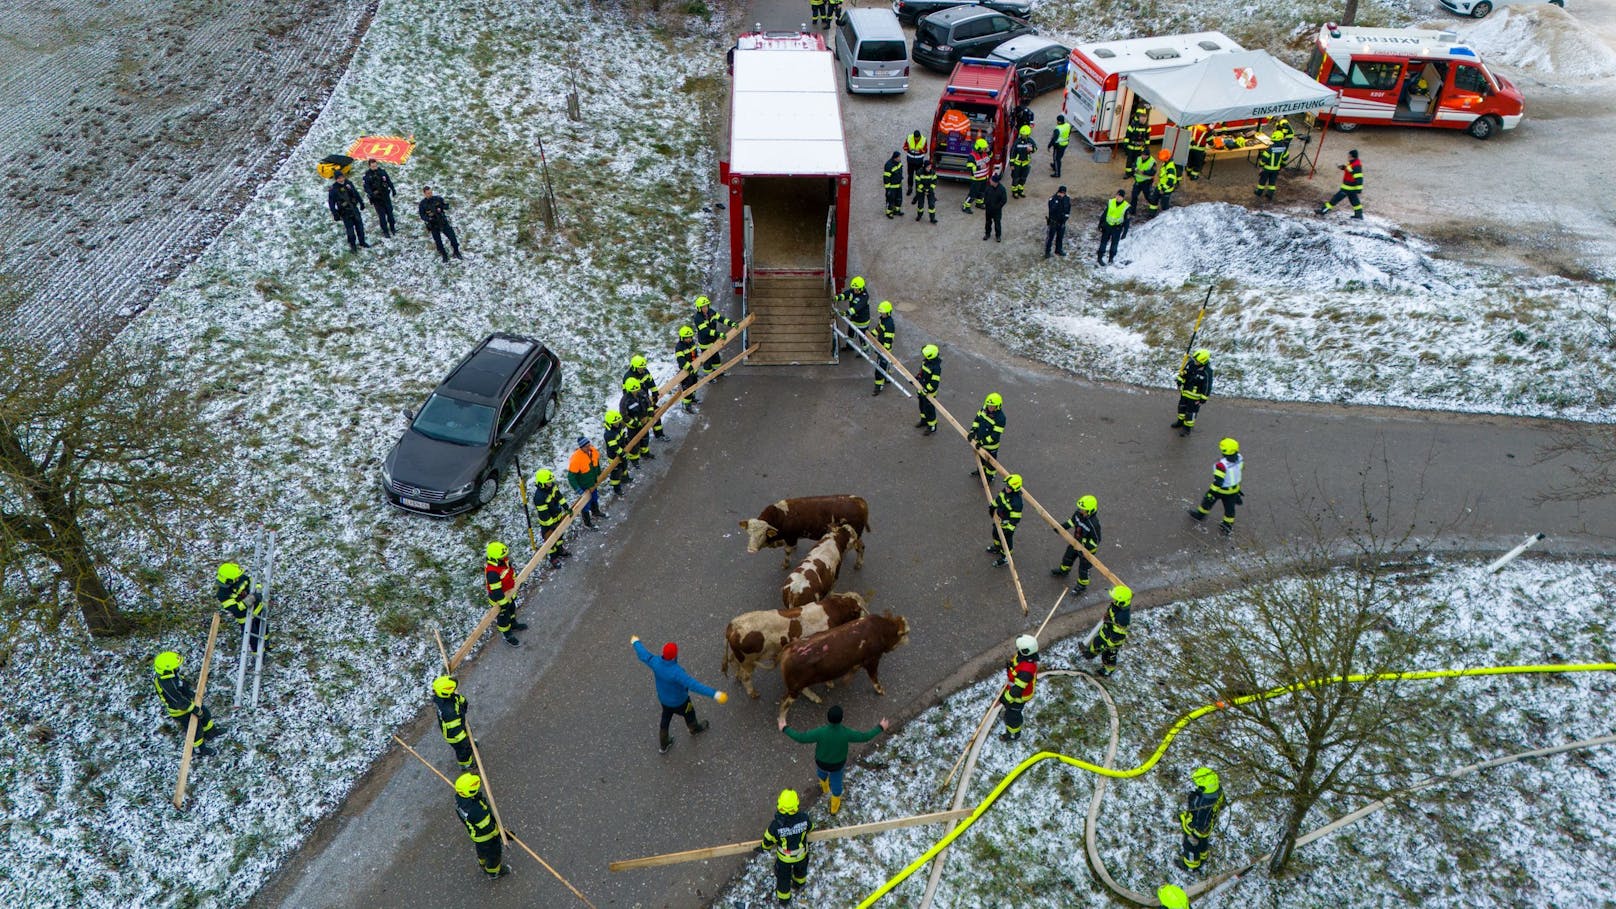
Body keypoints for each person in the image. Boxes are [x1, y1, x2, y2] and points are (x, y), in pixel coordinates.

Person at [778, 705, 888, 815]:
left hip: (821, 763)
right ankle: (834, 808)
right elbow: (865, 737)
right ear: (841, 718)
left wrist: (784, 728)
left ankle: (825, 788)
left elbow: (801, 738)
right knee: (837, 788)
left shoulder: (820, 732)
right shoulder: (846, 733)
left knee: (822, 775)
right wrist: (880, 727)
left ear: (828, 718)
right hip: (837, 767)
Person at [631, 635, 728, 754]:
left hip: (664, 701)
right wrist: (715, 694)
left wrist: (636, 642)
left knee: (665, 720)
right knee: (690, 714)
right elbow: (695, 686)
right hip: (681, 702)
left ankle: (664, 744)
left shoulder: (655, 662)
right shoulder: (677, 672)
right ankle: (694, 728)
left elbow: (643, 655)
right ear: (675, 655)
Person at [153, 651, 223, 756]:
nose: (178, 668)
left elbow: (182, 687)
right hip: (181, 711)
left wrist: (190, 694)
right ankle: (199, 749)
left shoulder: (171, 676)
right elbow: (178, 701)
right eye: (175, 667)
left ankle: (211, 732)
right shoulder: (167, 685)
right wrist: (194, 709)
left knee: (205, 714)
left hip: (188, 702)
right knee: (195, 729)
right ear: (168, 669)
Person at [758, 788, 814, 904]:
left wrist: (764, 848)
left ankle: (784, 899)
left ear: (780, 805)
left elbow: (768, 840)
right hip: (801, 855)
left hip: (785, 859)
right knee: (801, 871)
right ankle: (799, 884)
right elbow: (811, 827)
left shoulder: (776, 825)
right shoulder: (803, 817)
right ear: (796, 804)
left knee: (783, 879)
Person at [454, 772, 509, 879]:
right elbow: (488, 828)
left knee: (482, 851)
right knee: (494, 854)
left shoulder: (461, 800)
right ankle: (494, 872)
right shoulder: (476, 811)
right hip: (486, 837)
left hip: (477, 836)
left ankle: (482, 862)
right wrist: (500, 833)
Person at [1189, 438, 1243, 535]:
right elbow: (1238, 472)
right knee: (1230, 510)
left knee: (1207, 502)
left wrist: (1211, 493)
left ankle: (1200, 515)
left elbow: (1218, 482)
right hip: (1234, 490)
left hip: (1220, 491)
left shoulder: (1221, 465)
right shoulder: (1239, 458)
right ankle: (1227, 526)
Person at [1179, 766, 1227, 871]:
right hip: (1209, 826)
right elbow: (1223, 804)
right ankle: (1203, 856)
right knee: (1203, 841)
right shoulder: (1218, 790)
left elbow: (1199, 824)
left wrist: (1187, 825)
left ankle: (1190, 866)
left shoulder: (1203, 805)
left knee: (1190, 846)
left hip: (1198, 830)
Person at [1051, 495, 1101, 595]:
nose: (1080, 510)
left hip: (1087, 551)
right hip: (1075, 542)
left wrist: (1084, 545)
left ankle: (1082, 585)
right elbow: (1071, 521)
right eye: (1080, 508)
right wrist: (1061, 528)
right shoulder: (1078, 514)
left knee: (1084, 568)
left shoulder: (1093, 524)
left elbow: (1096, 541)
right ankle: (1064, 570)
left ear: (1090, 511)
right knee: (1068, 557)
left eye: (1083, 509)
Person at [1080, 584, 1132, 676]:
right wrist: (1108, 614)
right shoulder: (1117, 605)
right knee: (1096, 642)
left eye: (1115, 598)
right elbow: (1111, 610)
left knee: (1108, 656)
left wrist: (1109, 644)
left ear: (1121, 601)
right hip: (1105, 632)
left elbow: (1118, 634)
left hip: (1112, 641)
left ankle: (1108, 670)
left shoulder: (1122, 618)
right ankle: (1090, 653)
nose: (1113, 600)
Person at [215, 561, 265, 654]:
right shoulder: (223, 594)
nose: (239, 579)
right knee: (253, 638)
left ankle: (267, 646)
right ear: (229, 581)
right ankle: (259, 654)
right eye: (236, 578)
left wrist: (258, 590)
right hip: (245, 618)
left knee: (264, 629)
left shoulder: (240, 577)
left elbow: (253, 582)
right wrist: (250, 599)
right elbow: (235, 609)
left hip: (258, 608)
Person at [998, 634, 1039, 741]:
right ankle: (1009, 710)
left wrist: (1005, 699)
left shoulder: (1026, 670)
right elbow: (1016, 666)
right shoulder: (1024, 656)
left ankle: (1013, 734)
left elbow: (1017, 690)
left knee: (1012, 716)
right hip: (1014, 692)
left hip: (1019, 697)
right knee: (1010, 710)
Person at [530, 469, 574, 569]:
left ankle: (560, 550)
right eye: (548, 483)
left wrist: (567, 507)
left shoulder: (553, 486)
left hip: (558, 517)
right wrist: (551, 525)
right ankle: (553, 558)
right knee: (550, 542)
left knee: (559, 537)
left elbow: (560, 497)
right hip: (547, 524)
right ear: (541, 484)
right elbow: (544, 514)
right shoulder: (539, 497)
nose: (550, 484)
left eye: (550, 482)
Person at [484, 541, 525, 646]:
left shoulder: (504, 562)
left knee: (512, 609)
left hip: (508, 594)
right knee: (504, 617)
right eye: (503, 556)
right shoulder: (492, 572)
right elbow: (496, 591)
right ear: (495, 558)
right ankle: (507, 634)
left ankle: (513, 624)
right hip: (499, 600)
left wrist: (514, 584)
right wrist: (503, 603)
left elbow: (511, 572)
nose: (506, 557)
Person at [432, 675, 474, 769]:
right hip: (455, 737)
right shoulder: (449, 712)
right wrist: (465, 740)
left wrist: (462, 701)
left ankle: (469, 745)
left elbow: (456, 698)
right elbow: (455, 731)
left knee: (467, 738)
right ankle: (466, 764)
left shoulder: (442, 698)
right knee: (463, 750)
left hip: (458, 725)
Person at [567, 436, 608, 527]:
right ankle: (587, 523)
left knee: (594, 498)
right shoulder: (576, 459)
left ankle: (595, 512)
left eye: (589, 445)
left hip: (592, 483)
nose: (589, 448)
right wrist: (579, 490)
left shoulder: (593, 451)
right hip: (584, 486)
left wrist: (599, 474)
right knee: (585, 504)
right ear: (581, 447)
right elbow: (571, 477)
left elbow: (596, 464)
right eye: (586, 446)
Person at [625, 355, 667, 442]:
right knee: (641, 426)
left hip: (646, 400)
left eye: (643, 368)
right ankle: (640, 446)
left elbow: (651, 382)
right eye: (640, 368)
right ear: (634, 368)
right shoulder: (628, 378)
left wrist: (655, 393)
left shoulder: (645, 372)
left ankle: (659, 435)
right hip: (636, 405)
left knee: (656, 415)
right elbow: (627, 396)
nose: (642, 370)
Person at [693, 295, 737, 375]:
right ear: (699, 308)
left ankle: (718, 372)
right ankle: (708, 375)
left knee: (716, 358)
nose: (705, 308)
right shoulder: (698, 318)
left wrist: (731, 323)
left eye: (706, 306)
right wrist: (718, 334)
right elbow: (705, 331)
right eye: (703, 307)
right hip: (705, 343)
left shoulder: (711, 312)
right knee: (707, 360)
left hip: (713, 340)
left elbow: (721, 319)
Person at [1173, 349, 1214, 435]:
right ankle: (1180, 421)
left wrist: (1203, 398)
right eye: (1195, 360)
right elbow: (1184, 373)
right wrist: (1180, 380)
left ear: (1203, 362)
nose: (1195, 362)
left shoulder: (1207, 372)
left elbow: (1207, 386)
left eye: (1197, 361)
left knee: (1190, 413)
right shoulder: (1191, 364)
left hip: (1195, 397)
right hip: (1185, 393)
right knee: (1181, 408)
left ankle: (1187, 428)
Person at [987, 473, 1023, 567]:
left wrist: (1009, 529)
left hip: (1007, 525)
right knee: (995, 534)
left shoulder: (1017, 502)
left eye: (1009, 487)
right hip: (999, 519)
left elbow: (1015, 519)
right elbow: (999, 499)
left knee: (1006, 543)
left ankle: (1006, 557)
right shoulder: (1005, 492)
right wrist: (993, 506)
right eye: (1007, 486)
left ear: (1015, 488)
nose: (1007, 488)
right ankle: (997, 548)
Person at [326, 172, 368, 252]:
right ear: (336, 179)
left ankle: (362, 242)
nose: (341, 179)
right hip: (345, 212)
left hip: (354, 209)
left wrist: (361, 202)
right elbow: (331, 203)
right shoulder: (333, 189)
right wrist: (335, 213)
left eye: (342, 177)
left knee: (360, 227)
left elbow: (356, 193)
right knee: (350, 230)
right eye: (339, 178)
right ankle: (353, 245)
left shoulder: (349, 183)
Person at [418, 186, 462, 262]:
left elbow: (446, 206)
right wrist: (429, 218)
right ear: (424, 194)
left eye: (431, 192)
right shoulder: (422, 204)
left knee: (453, 238)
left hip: (442, 221)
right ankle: (444, 255)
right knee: (438, 242)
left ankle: (456, 251)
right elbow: (422, 216)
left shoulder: (438, 199)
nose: (430, 194)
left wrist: (441, 207)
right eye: (428, 193)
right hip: (433, 224)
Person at [1318, 149, 1364, 219]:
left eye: (1348, 155)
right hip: (1350, 188)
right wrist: (1343, 167)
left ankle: (1323, 210)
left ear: (1352, 156)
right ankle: (1359, 215)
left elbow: (1359, 178)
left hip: (1348, 188)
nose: (1347, 157)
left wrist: (1359, 189)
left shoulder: (1356, 165)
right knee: (1355, 202)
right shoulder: (1353, 163)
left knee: (1335, 199)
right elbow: (1350, 170)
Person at [969, 392, 1006, 480]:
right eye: (989, 405)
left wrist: (982, 442)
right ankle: (980, 472)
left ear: (998, 406)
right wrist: (973, 431)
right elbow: (977, 420)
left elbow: (995, 435)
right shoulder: (983, 410)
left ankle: (990, 477)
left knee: (990, 463)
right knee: (981, 459)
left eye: (992, 406)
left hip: (991, 446)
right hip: (980, 442)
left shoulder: (1000, 418)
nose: (990, 408)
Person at [618, 377, 653, 464]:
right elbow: (624, 415)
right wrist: (634, 423)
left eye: (637, 390)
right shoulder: (625, 401)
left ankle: (645, 453)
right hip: (633, 426)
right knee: (634, 444)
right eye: (634, 391)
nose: (635, 392)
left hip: (644, 421)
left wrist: (650, 411)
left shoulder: (641, 393)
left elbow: (648, 402)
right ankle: (634, 460)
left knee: (645, 438)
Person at [362, 159, 397, 237]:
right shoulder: (367, 176)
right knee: (382, 216)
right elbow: (366, 188)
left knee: (390, 214)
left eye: (375, 165)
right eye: (373, 166)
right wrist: (372, 194)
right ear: (369, 166)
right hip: (377, 199)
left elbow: (388, 181)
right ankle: (385, 231)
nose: (375, 167)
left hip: (385, 196)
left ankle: (392, 228)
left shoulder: (382, 172)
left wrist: (393, 189)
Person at [836, 276, 870, 354]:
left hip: (862, 322)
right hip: (854, 319)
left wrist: (846, 313)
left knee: (862, 337)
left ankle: (866, 350)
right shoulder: (853, 291)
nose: (855, 291)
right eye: (854, 289)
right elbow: (846, 294)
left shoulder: (864, 297)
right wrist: (837, 298)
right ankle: (850, 347)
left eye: (856, 289)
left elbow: (856, 308)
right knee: (850, 334)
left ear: (861, 289)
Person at [1096, 189, 1129, 266]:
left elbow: (1127, 221)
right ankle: (1099, 257)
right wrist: (1100, 223)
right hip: (1107, 226)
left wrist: (1125, 232)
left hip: (1117, 228)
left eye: (1120, 196)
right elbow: (1105, 213)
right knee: (1103, 243)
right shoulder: (1111, 202)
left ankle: (1111, 258)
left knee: (1114, 244)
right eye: (1117, 195)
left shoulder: (1126, 206)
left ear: (1123, 198)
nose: (1118, 197)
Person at [915, 344, 941, 435]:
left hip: (929, 393)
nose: (924, 357)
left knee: (929, 410)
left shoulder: (936, 368)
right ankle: (924, 421)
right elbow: (921, 372)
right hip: (921, 389)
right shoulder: (926, 362)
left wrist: (926, 390)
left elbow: (934, 384)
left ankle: (932, 426)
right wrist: (917, 378)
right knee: (922, 406)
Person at [603, 410, 631, 496]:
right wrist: (621, 453)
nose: (618, 424)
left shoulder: (619, 427)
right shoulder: (609, 434)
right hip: (614, 457)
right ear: (610, 423)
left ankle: (625, 478)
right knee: (616, 473)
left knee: (624, 466)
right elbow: (614, 447)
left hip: (622, 452)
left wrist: (626, 440)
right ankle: (617, 489)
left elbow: (623, 434)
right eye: (615, 423)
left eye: (618, 422)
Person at [674, 325, 701, 411]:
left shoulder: (692, 343)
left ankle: (692, 398)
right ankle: (687, 405)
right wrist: (689, 368)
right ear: (682, 338)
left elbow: (695, 353)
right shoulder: (679, 347)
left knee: (694, 384)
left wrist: (698, 361)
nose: (689, 339)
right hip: (685, 371)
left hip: (694, 368)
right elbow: (681, 360)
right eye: (687, 338)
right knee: (687, 387)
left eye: (690, 337)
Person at [872, 301, 895, 396]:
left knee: (879, 368)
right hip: (881, 347)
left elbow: (888, 339)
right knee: (884, 364)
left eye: (883, 313)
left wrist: (883, 350)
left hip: (884, 349)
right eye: (881, 312)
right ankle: (887, 377)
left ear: (888, 312)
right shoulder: (882, 320)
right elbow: (878, 328)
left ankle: (878, 386)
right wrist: (872, 334)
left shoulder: (889, 324)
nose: (882, 314)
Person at [1007, 124, 1037, 199]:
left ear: (1028, 134)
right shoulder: (1017, 142)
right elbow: (1012, 152)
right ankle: (1014, 192)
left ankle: (1020, 190)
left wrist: (1032, 149)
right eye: (1022, 134)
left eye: (1024, 135)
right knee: (1015, 178)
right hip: (1017, 164)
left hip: (1026, 164)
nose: (1023, 136)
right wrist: (1011, 164)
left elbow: (1036, 148)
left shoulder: (1030, 141)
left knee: (1023, 178)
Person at [963, 138, 990, 213]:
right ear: (979, 148)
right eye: (984, 148)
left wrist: (989, 151)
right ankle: (965, 206)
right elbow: (970, 168)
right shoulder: (972, 156)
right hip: (976, 179)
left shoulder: (984, 153)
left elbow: (990, 157)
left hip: (984, 178)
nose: (986, 149)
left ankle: (979, 203)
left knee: (982, 192)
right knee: (973, 194)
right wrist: (979, 167)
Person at [1044, 185, 1071, 259]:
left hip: (1062, 222)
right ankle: (1047, 252)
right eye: (1061, 193)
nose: (1062, 194)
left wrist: (1066, 217)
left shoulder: (1067, 198)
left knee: (1060, 237)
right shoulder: (1053, 199)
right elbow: (1051, 210)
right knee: (1050, 238)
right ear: (1058, 192)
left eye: (1063, 193)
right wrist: (1057, 202)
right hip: (1053, 222)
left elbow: (1068, 208)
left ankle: (1058, 250)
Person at [981, 174, 1008, 242]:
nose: (990, 181)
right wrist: (985, 203)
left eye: (991, 180)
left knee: (997, 223)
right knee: (988, 223)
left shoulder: (1002, 189)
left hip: (997, 211)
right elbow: (985, 195)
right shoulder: (988, 187)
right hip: (988, 209)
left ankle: (998, 236)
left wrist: (997, 207)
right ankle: (987, 234)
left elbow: (1004, 200)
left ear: (995, 182)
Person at [912, 158, 938, 224]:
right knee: (920, 205)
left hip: (930, 190)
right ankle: (919, 216)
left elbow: (934, 181)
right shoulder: (919, 172)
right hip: (921, 191)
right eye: (929, 167)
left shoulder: (932, 172)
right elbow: (918, 183)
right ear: (925, 167)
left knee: (931, 205)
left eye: (930, 166)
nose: (930, 168)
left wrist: (930, 189)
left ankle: (932, 218)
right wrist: (924, 190)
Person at [903, 130, 928, 195]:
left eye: (918, 138)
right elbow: (904, 147)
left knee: (918, 176)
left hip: (919, 161)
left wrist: (920, 150)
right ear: (914, 136)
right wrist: (908, 149)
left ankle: (918, 190)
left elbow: (925, 150)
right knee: (910, 175)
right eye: (916, 138)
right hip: (910, 161)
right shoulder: (909, 138)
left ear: (920, 136)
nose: (917, 139)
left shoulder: (924, 139)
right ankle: (910, 188)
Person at [882, 151, 904, 219]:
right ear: (895, 158)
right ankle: (889, 212)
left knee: (899, 199)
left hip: (898, 185)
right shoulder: (888, 165)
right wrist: (888, 189)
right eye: (899, 157)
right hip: (892, 187)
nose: (900, 158)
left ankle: (896, 211)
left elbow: (899, 172)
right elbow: (886, 178)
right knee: (890, 200)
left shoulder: (899, 163)